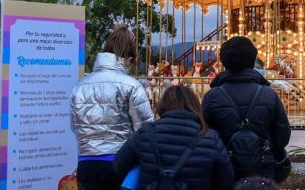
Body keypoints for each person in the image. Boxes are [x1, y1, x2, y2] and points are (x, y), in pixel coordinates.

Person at [70, 24, 154, 189]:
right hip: (120, 164)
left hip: (86, 164)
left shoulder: (79, 86)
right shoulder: (131, 85)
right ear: (128, 59)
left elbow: (74, 126)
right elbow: (146, 130)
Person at [202, 36, 291, 181]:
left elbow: (204, 134)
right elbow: (283, 134)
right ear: (252, 61)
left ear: (224, 62)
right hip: (262, 170)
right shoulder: (269, 95)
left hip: (224, 170)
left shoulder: (212, 97)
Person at [114, 85, 234, 189]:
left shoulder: (145, 132)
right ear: (195, 106)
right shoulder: (210, 138)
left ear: (162, 105)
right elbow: (226, 179)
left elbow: (119, 165)